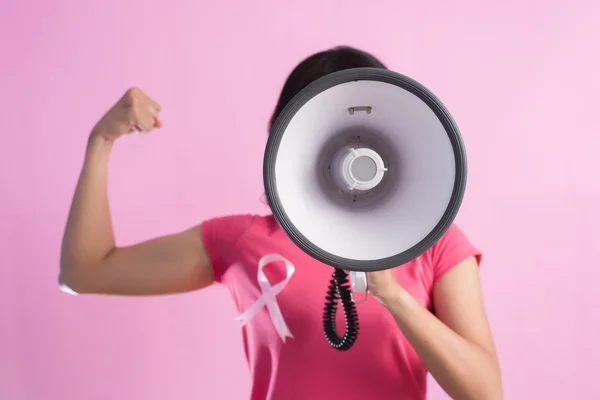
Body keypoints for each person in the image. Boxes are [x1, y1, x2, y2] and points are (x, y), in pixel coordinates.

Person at [60, 46, 503, 400]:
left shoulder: (433, 242)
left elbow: (486, 394)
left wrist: (394, 298)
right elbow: (85, 272)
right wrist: (101, 141)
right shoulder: (242, 240)